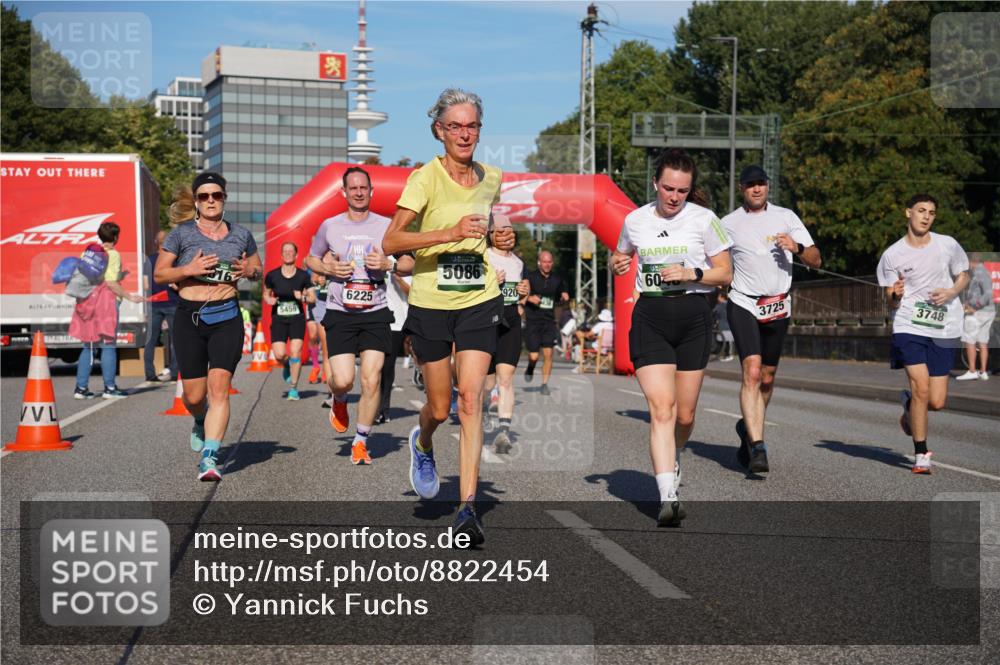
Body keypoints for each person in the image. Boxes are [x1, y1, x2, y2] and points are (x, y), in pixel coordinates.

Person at [382, 88, 516, 546]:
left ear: (480, 129)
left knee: (472, 399)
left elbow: (487, 235)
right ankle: (422, 442)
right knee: (440, 407)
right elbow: (391, 242)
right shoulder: (425, 178)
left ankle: (467, 508)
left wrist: (502, 239)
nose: (464, 133)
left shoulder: (492, 178)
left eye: (472, 125)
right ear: (439, 130)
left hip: (479, 298)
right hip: (432, 303)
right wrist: (450, 232)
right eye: (455, 126)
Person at [611, 148, 733, 527]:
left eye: (682, 190)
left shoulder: (705, 219)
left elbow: (725, 273)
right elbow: (620, 256)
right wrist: (617, 263)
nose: (674, 197)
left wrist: (691, 273)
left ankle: (675, 453)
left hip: (694, 318)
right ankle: (667, 496)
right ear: (655, 184)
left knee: (685, 413)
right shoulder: (635, 220)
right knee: (661, 408)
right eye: (668, 188)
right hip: (651, 318)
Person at [155, 172, 262, 481]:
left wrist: (249, 270)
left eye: (216, 195)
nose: (211, 201)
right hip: (189, 317)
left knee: (219, 390)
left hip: (227, 315)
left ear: (224, 198)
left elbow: (257, 267)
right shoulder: (182, 234)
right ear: (197, 201)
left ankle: (210, 456)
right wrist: (189, 268)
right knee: (192, 396)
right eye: (204, 196)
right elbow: (160, 275)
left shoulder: (240, 234)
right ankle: (199, 420)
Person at [305, 166, 413, 465]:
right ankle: (339, 400)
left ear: (371, 191)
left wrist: (388, 265)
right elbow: (310, 257)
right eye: (352, 188)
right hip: (341, 311)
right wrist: (328, 268)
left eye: (363, 187)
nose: (358, 192)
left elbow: (409, 261)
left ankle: (361, 441)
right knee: (342, 379)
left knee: (371, 379)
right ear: (344, 192)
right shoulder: (330, 226)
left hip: (376, 311)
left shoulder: (387, 225)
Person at [721, 165, 822, 474]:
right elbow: (714, 262)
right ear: (741, 188)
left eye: (761, 184)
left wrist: (798, 247)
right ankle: (759, 446)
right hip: (743, 303)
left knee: (767, 378)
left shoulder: (786, 217)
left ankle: (748, 432)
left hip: (777, 305)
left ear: (768, 186)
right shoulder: (727, 224)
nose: (757, 189)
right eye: (751, 184)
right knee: (751, 372)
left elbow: (817, 260)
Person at [877, 194, 969, 474]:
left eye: (931, 212)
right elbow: (889, 299)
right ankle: (920, 454)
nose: (926, 216)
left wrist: (951, 291)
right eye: (920, 211)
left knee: (937, 402)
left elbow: (963, 274)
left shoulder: (948, 245)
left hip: (943, 326)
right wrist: (895, 294)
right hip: (909, 326)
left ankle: (908, 407)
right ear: (908, 213)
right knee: (921, 387)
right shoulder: (893, 255)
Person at [73, 222, 144, 399]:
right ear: (115, 237)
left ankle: (81, 389)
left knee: (88, 346)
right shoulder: (113, 255)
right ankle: (110, 388)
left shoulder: (87, 253)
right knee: (108, 345)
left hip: (88, 302)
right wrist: (130, 296)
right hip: (106, 304)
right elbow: (111, 283)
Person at [483, 214, 528, 454]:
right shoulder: (483, 257)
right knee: (487, 382)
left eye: (509, 229)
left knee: (506, 378)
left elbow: (521, 293)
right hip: (486, 318)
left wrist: (523, 292)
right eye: (499, 230)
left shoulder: (519, 263)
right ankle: (483, 409)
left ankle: (503, 430)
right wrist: (490, 281)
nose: (505, 233)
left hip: (510, 318)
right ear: (490, 234)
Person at [264, 242, 314, 401]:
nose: (287, 254)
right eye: (284, 251)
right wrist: (268, 300)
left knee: (295, 352)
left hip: (297, 318)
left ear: (296, 255)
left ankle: (293, 388)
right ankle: (286, 364)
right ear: (281, 254)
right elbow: (266, 294)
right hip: (278, 318)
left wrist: (303, 297)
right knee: (279, 354)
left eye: (290, 251)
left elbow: (313, 298)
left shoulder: (303, 276)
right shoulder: (272, 275)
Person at [523, 250, 570, 396]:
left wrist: (564, 296)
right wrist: (530, 298)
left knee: (549, 354)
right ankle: (531, 367)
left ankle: (544, 384)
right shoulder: (530, 277)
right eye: (544, 261)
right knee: (534, 356)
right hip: (533, 321)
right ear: (539, 262)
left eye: (549, 262)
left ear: (552, 263)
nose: (547, 264)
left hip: (549, 321)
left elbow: (564, 293)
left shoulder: (557, 279)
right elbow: (521, 294)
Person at [378, 262, 414, 424]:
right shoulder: (372, 255)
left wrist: (398, 278)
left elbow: (413, 293)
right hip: (374, 320)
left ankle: (383, 408)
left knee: (387, 366)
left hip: (396, 322)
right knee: (372, 367)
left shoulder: (404, 261)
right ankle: (372, 407)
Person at [144, 230, 180, 382]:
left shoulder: (149, 260)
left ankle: (150, 374)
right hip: (172, 303)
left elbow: (146, 285)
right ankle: (174, 373)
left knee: (150, 339)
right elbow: (177, 284)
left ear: (155, 243)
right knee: (176, 340)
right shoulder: (173, 260)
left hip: (154, 303)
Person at [956, 254, 995, 381]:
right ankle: (983, 372)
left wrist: (974, 307)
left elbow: (988, 294)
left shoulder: (979, 274)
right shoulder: (984, 273)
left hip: (978, 313)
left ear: (971, 262)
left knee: (969, 341)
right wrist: (968, 303)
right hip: (988, 312)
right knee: (983, 342)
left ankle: (972, 370)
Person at [714, 290, 734, 361]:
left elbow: (714, 314)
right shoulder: (731, 305)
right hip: (730, 326)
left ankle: (727, 355)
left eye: (718, 296)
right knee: (728, 342)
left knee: (723, 342)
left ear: (722, 297)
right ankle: (728, 355)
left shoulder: (719, 306)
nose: (717, 298)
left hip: (722, 326)